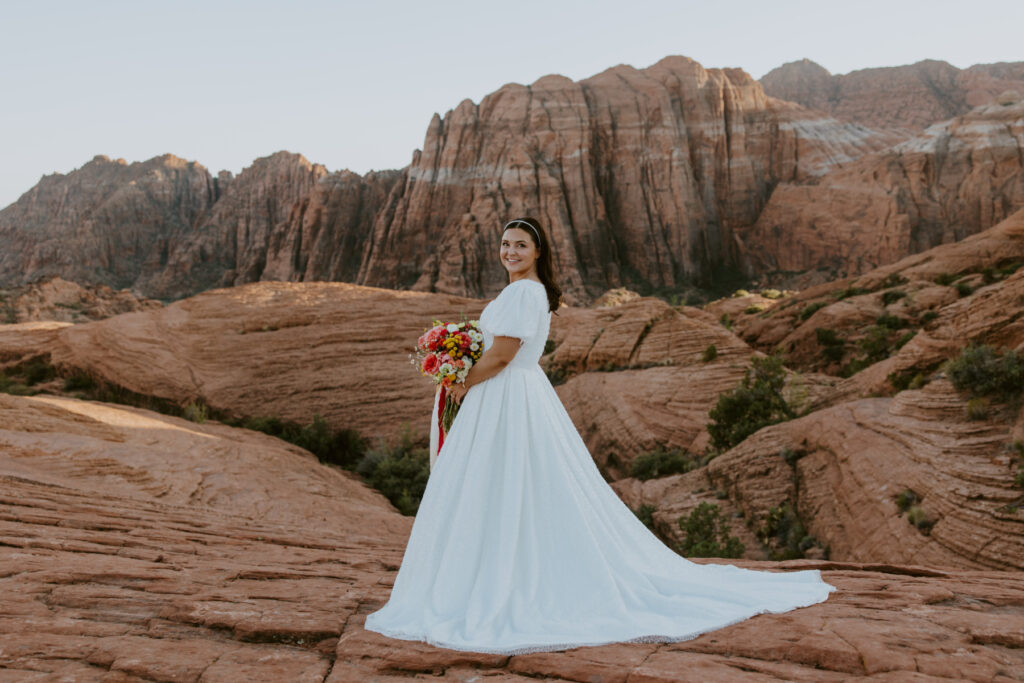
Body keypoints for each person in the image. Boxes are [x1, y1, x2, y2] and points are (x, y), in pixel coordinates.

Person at [363, 217, 837, 655]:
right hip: (509, 397)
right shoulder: (526, 291)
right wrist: (459, 360)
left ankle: (498, 578)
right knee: (514, 487)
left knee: (506, 484)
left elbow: (505, 354)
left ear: (538, 251)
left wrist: (461, 381)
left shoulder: (525, 293)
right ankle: (498, 567)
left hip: (506, 395)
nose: (510, 251)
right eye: (505, 244)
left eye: (520, 245)